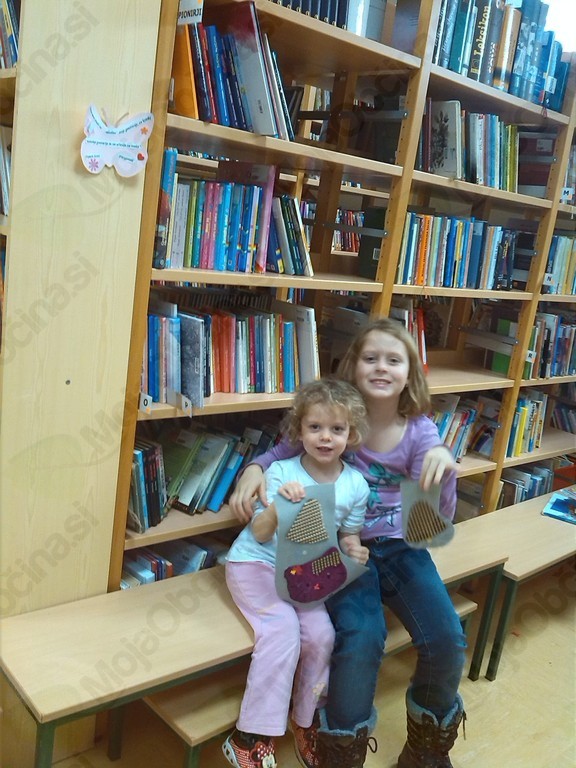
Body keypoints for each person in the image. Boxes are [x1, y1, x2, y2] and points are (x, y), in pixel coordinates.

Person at [230, 318, 466, 768]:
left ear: (410, 373)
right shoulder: (334, 418)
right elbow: (280, 455)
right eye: (370, 358)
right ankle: (340, 751)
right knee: (361, 636)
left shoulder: (420, 432)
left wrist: (443, 469)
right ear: (353, 366)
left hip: (400, 547)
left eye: (394, 360)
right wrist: (253, 470)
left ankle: (427, 751)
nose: (381, 367)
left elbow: (433, 520)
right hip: (337, 549)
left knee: (447, 636)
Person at [223, 377, 371, 768]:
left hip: (303, 574)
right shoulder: (280, 472)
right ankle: (250, 736)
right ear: (299, 431)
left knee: (323, 635)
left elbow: (348, 534)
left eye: (336, 429)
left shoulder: (356, 485)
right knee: (282, 630)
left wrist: (354, 550)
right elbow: (259, 532)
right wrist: (276, 507)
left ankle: (304, 719)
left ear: (351, 434)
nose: (325, 437)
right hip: (256, 563)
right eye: (315, 427)